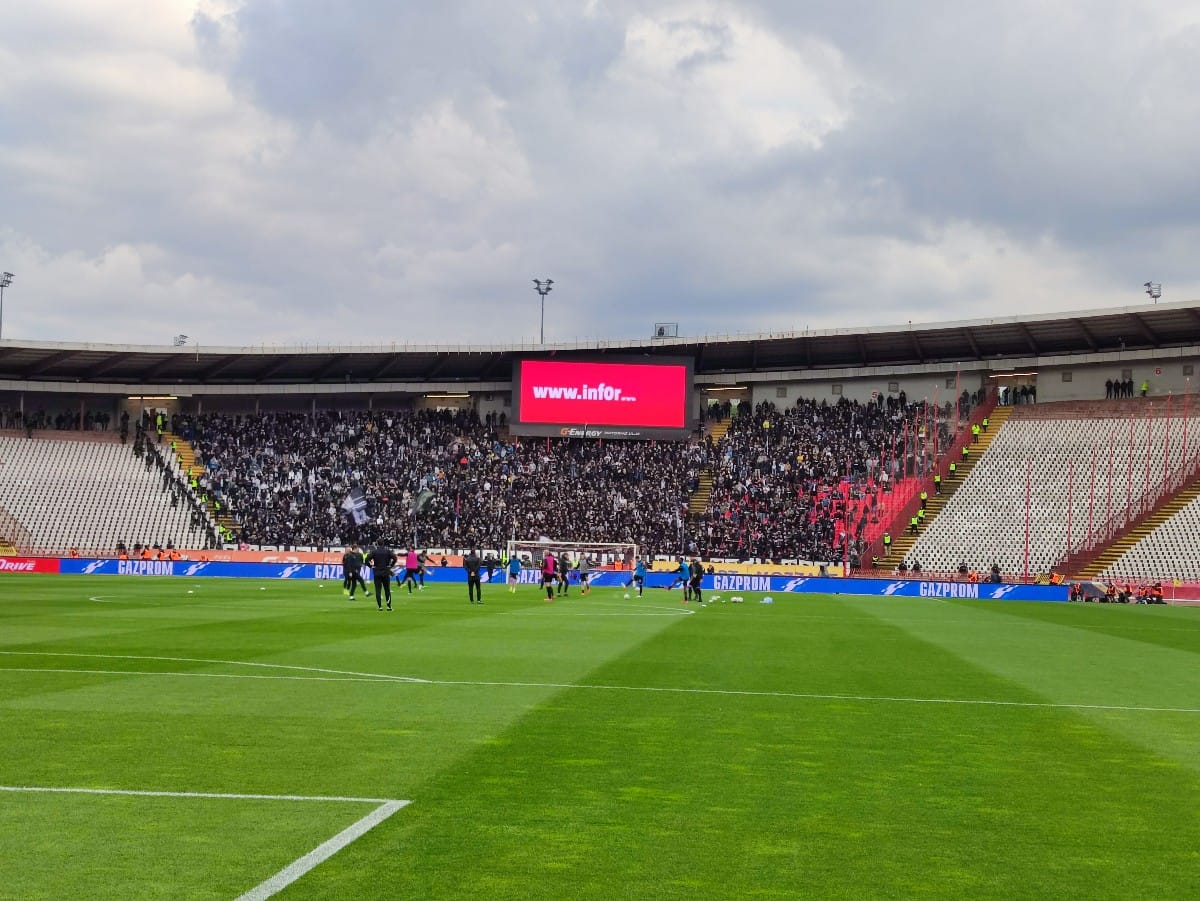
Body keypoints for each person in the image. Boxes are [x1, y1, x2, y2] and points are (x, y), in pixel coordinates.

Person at [366, 542, 397, 611]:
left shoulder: (374, 552)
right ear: (383, 543)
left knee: (378, 590)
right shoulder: (387, 551)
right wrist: (391, 565)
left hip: (377, 572)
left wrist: (371, 566)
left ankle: (380, 607)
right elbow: (395, 558)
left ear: (377, 544)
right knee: (387, 590)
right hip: (386, 572)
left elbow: (366, 559)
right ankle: (389, 607)